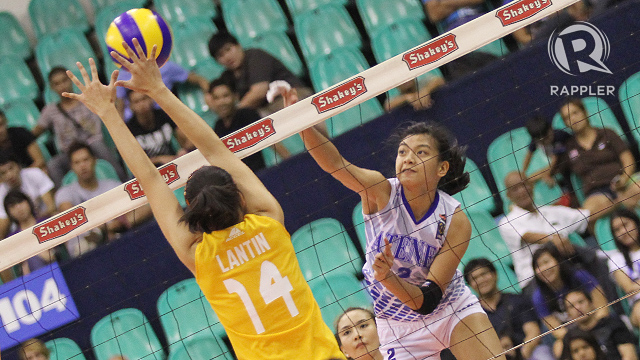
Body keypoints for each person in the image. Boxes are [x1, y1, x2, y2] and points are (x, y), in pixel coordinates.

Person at [63, 40, 345, 359]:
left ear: (190, 207)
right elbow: (215, 150)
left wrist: (107, 112)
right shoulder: (268, 219)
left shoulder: (200, 256)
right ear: (239, 197)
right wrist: (158, 89)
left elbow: (150, 180)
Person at [294, 83, 505, 359]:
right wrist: (300, 122)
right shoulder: (380, 191)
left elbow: (428, 300)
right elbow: (335, 164)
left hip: (449, 307)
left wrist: (388, 278)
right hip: (398, 327)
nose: (407, 159)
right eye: (403, 152)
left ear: (442, 168)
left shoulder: (455, 220)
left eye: (421, 152)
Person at [32, 67, 126, 187]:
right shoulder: (50, 111)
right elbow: (33, 134)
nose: (62, 85)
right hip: (69, 153)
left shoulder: (88, 98)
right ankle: (64, 197)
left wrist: (119, 116)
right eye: (57, 83)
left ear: (70, 80)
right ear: (52, 87)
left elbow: (115, 103)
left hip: (92, 146)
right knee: (53, 165)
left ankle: (124, 181)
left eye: (64, 81)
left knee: (99, 146)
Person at [498, 171, 593, 290]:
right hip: (533, 280)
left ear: (532, 186)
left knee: (597, 262)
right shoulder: (506, 223)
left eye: (524, 185)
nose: (522, 191)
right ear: (508, 196)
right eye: (515, 189)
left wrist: (617, 200)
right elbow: (529, 237)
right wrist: (553, 238)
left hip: (564, 270)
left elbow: (588, 215)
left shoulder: (551, 211)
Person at [55, 142, 152, 256]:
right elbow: (71, 219)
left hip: (118, 237)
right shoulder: (65, 193)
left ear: (94, 160)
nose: (82, 166)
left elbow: (142, 209)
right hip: (86, 248)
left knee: (147, 209)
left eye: (86, 160)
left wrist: (110, 226)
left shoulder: (112, 185)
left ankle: (104, 231)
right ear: (72, 167)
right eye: (77, 162)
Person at [552, 98, 640, 220]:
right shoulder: (568, 148)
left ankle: (619, 201)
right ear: (566, 123)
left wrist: (624, 179)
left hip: (623, 181)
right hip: (597, 192)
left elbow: (628, 159)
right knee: (586, 215)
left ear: (585, 112)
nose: (573, 119)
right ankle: (620, 202)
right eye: (567, 117)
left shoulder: (607, 133)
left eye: (575, 113)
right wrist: (546, 175)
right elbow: (553, 169)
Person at [464, 258, 555, 360]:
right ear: (470, 285)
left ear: (495, 274)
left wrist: (521, 356)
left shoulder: (517, 300)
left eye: (484, 274)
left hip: (527, 354)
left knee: (542, 354)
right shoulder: (472, 316)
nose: (481, 280)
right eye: (475, 278)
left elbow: (533, 333)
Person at [208, 32, 314, 117]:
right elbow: (212, 97)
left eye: (228, 49)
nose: (227, 57)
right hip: (267, 109)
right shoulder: (228, 75)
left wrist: (235, 115)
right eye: (220, 55)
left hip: (291, 95)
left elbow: (259, 92)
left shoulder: (255, 56)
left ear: (238, 45)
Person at [531, 244, 609, 349]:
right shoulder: (538, 297)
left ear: (558, 261)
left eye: (546, 262)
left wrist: (592, 330)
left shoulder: (579, 276)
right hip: (573, 337)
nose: (544, 269)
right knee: (558, 347)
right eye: (538, 266)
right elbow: (557, 331)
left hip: (597, 325)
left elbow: (602, 308)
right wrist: (581, 338)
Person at [207, 78, 274, 171]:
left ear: (235, 96)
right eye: (216, 98)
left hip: (263, 173)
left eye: (225, 96)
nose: (221, 102)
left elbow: (273, 141)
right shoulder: (218, 127)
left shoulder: (247, 115)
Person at [115, 60, 210, 121]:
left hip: (167, 115)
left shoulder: (166, 66)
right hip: (139, 121)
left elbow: (199, 80)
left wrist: (208, 95)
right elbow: (120, 106)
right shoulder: (122, 76)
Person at [561, 289, 638, 360]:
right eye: (571, 306)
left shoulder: (613, 323)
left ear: (591, 303)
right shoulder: (570, 337)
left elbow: (630, 356)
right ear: (568, 314)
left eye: (581, 302)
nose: (577, 308)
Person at [4, 190, 65, 275]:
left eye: (20, 202)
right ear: (9, 213)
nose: (18, 208)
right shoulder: (11, 239)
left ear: (28, 202)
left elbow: (61, 249)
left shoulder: (47, 222)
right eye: (13, 206)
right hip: (29, 275)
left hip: (57, 264)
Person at [126, 90, 193, 166]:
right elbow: (135, 161)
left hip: (174, 161)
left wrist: (184, 150)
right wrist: (159, 159)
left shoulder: (163, 115)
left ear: (151, 99)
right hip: (150, 169)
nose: (142, 104)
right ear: (130, 106)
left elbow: (186, 136)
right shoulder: (128, 129)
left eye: (144, 99)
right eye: (136, 102)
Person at [0, 154, 56, 239]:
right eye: (3, 173)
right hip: (21, 231)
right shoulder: (1, 193)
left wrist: (37, 222)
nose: (9, 175)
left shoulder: (35, 173)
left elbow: (51, 206)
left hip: (45, 220)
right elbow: (3, 227)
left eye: (11, 168)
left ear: (18, 166)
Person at [607, 208, 640, 328]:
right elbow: (629, 288)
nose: (623, 232)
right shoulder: (616, 259)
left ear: (635, 223)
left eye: (625, 225)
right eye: (617, 230)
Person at [522, 115, 571, 187]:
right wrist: (522, 172)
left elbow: (555, 161)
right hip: (556, 162)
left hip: (569, 158)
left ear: (551, 129)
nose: (545, 142)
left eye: (547, 138)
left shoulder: (559, 136)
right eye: (541, 142)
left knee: (535, 177)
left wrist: (546, 175)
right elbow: (529, 155)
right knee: (528, 179)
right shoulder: (536, 139)